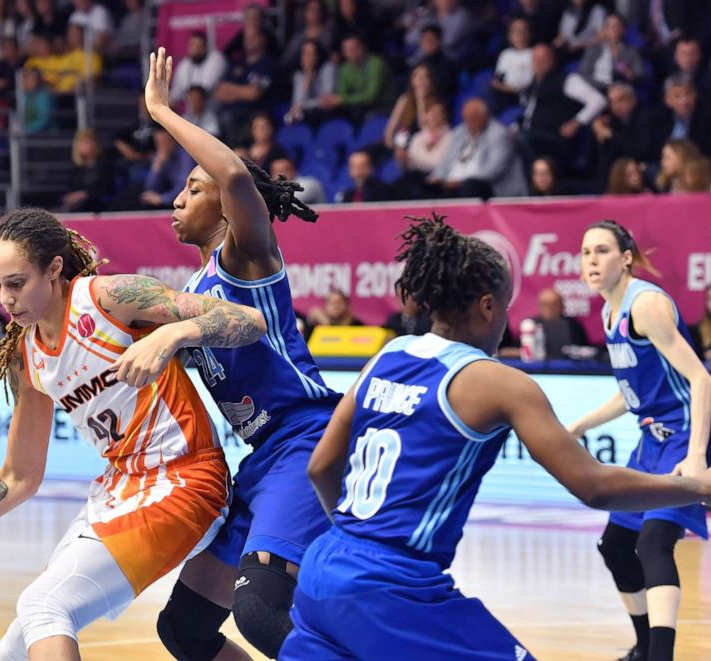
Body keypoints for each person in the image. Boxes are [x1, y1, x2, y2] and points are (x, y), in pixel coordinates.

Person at [279, 214, 711, 660]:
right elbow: (595, 486)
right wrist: (698, 485)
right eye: (506, 307)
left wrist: (355, 540)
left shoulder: (388, 354)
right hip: (395, 585)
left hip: (324, 567)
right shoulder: (496, 381)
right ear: (488, 306)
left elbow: (321, 466)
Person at [0, 207, 269, 660]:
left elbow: (248, 321)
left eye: (17, 283)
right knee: (10, 653)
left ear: (54, 268)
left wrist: (173, 335)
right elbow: (18, 477)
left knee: (44, 605)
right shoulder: (28, 355)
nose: (6, 299)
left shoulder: (110, 298)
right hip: (122, 487)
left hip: (185, 480)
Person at [144, 47, 341, 660]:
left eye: (191, 187)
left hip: (304, 438)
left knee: (260, 613)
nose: (178, 198)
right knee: (184, 629)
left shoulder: (247, 259)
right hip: (258, 458)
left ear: (227, 208)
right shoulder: (192, 293)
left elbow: (232, 175)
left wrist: (160, 111)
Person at [567, 220, 711, 661]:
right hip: (652, 439)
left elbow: (701, 378)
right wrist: (579, 425)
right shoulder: (610, 311)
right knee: (615, 546)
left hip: (685, 435)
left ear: (625, 258)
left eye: (602, 251)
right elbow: (631, 392)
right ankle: (644, 646)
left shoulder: (644, 304)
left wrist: (696, 456)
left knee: (653, 543)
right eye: (586, 251)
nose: (591, 260)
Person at [534, 287, 589, 358]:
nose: (551, 308)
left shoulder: (573, 325)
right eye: (546, 304)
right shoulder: (530, 325)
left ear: (562, 305)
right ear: (540, 306)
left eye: (554, 304)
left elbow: (585, 350)